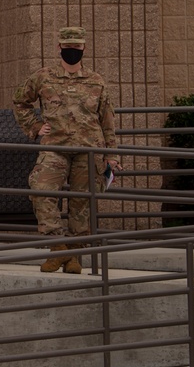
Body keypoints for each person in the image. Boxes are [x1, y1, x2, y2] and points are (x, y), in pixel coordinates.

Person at [12, 26, 120, 274]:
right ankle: (58, 247)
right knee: (41, 189)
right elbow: (20, 102)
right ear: (59, 48)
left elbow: (107, 120)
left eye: (77, 47)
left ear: (84, 48)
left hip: (89, 150)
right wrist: (35, 126)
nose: (72, 51)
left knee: (82, 204)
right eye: (68, 47)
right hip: (55, 147)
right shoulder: (43, 76)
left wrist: (112, 156)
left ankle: (75, 257)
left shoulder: (96, 81)